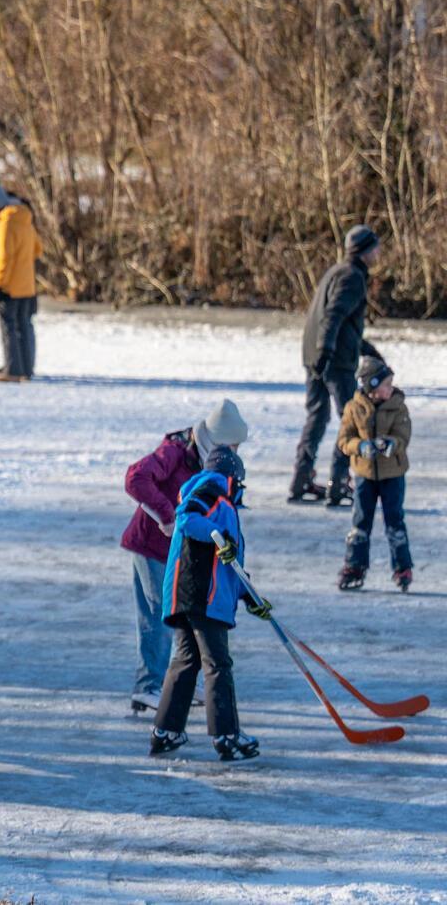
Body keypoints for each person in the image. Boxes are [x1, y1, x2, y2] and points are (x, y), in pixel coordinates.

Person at [121, 400, 246, 714]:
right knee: (159, 615)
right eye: (231, 445)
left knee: (182, 613)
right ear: (214, 440)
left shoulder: (212, 465)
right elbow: (135, 478)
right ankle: (148, 685)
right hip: (150, 546)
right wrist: (167, 516)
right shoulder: (177, 452)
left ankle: (178, 683)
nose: (234, 453)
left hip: (177, 554)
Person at [152, 444, 267, 762]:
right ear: (233, 476)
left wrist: (251, 598)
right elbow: (186, 518)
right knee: (217, 665)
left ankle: (166, 730)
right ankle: (226, 737)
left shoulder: (221, 502)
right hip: (203, 596)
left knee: (186, 662)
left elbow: (228, 564)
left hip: (189, 596)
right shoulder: (211, 488)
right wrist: (221, 535)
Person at [292, 225, 386, 505]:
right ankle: (338, 482)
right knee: (352, 418)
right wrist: (326, 350)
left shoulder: (336, 271)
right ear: (365, 250)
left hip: (318, 356)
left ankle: (301, 478)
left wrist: (368, 351)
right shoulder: (352, 277)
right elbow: (332, 316)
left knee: (318, 417)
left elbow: (343, 325)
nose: (379, 252)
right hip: (333, 361)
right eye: (376, 247)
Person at [336, 357, 414, 592]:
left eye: (391, 383)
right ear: (372, 386)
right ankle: (354, 566)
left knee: (395, 521)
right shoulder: (354, 407)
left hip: (393, 475)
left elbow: (403, 436)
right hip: (364, 475)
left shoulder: (398, 405)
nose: (390, 388)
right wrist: (360, 447)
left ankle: (402, 566)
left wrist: (392, 444)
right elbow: (343, 440)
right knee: (360, 523)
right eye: (386, 384)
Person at [0, 183, 38, 382]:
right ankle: (26, 369)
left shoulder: (5, 224)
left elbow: (5, 257)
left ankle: (13, 369)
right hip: (28, 285)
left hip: (10, 286)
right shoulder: (25, 219)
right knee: (24, 326)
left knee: (8, 326)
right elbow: (37, 249)